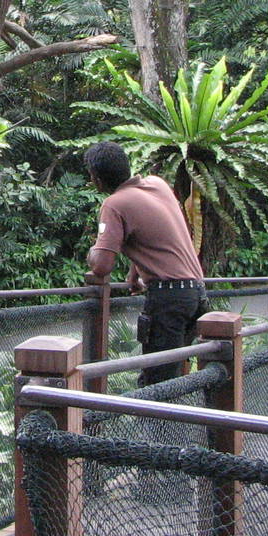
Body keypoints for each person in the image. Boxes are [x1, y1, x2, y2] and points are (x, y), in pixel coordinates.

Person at [83, 141, 206, 385]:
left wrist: (92, 251)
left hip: (169, 299)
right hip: (196, 293)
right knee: (175, 379)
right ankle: (180, 423)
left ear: (96, 179)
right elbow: (154, 232)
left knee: (157, 384)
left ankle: (161, 425)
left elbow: (101, 266)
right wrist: (136, 269)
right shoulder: (157, 184)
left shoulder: (115, 204)